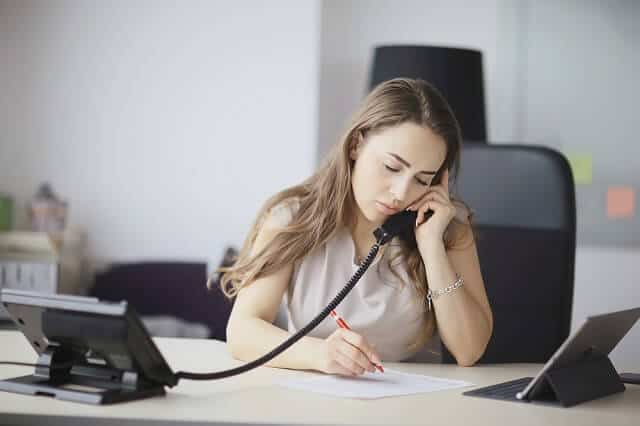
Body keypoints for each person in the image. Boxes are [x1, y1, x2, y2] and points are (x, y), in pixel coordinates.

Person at [213, 78, 493, 376]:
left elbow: (469, 351)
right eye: (392, 167)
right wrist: (321, 355)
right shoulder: (292, 219)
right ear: (357, 144)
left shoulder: (448, 232)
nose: (401, 192)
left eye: (422, 179)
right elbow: (242, 331)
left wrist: (433, 249)